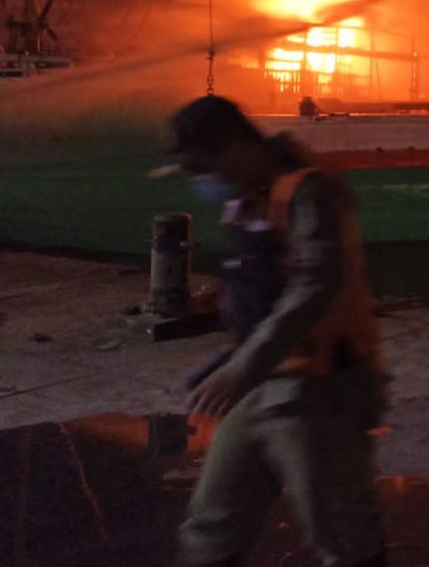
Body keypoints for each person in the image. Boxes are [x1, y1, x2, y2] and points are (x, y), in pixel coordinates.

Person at [159, 95, 387, 567]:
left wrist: (243, 364)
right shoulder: (250, 196)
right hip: (260, 387)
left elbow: (316, 283)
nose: (203, 181)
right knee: (210, 528)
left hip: (318, 392)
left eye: (204, 167)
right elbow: (260, 290)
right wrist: (232, 360)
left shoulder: (308, 191)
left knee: (345, 541)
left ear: (234, 147)